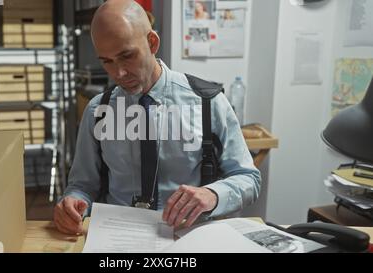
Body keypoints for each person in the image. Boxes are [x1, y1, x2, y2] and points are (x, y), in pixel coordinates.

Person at [54, 0, 261, 235]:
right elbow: (82, 185)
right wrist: (73, 202)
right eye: (107, 62)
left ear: (152, 43)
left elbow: (248, 178)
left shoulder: (208, 103)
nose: (118, 73)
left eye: (127, 56)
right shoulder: (97, 111)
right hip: (117, 238)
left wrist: (212, 195)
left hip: (187, 236)